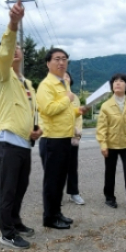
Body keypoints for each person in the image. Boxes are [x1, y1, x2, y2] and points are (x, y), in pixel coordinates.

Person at [0, 2, 42, 249]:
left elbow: (33, 111)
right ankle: (6, 233)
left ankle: (16, 222)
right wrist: (13, 25)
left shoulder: (27, 82)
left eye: (20, 48)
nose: (17, 51)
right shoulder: (1, 74)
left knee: (20, 187)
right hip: (6, 142)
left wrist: (37, 128)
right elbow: (5, 50)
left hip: (24, 144)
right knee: (7, 190)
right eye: (13, 49)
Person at [37, 48, 86, 229]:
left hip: (65, 138)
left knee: (59, 180)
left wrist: (76, 110)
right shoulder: (46, 85)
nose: (61, 62)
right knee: (52, 181)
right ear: (48, 63)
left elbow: (64, 110)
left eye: (64, 59)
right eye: (57, 59)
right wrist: (68, 99)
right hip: (52, 139)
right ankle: (49, 218)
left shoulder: (62, 84)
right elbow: (48, 109)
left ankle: (57, 213)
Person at [96, 73, 126, 215]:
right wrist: (103, 145)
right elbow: (101, 128)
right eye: (115, 81)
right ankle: (109, 197)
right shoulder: (106, 106)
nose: (118, 83)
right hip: (111, 144)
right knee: (110, 172)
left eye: (121, 81)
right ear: (112, 85)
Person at [64, 72, 85, 205]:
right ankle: (55, 195)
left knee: (72, 167)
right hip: (57, 136)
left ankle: (74, 193)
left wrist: (77, 133)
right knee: (57, 168)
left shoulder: (75, 97)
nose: (65, 77)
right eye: (62, 76)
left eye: (67, 76)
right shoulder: (53, 95)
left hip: (72, 137)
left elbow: (78, 117)